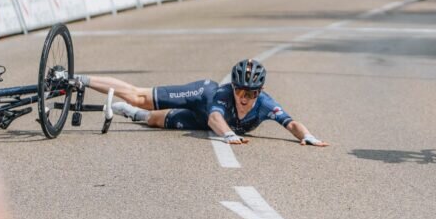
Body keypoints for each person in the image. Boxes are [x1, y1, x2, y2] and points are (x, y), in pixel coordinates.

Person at [75, 59, 329, 146]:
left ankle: (131, 114)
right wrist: (229, 135)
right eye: (240, 91)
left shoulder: (265, 103)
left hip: (200, 121)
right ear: (233, 87)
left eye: (251, 94)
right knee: (138, 97)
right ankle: (81, 79)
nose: (244, 98)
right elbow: (215, 118)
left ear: (259, 92)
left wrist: (308, 137)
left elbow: (291, 123)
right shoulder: (221, 95)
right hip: (201, 99)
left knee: (153, 120)